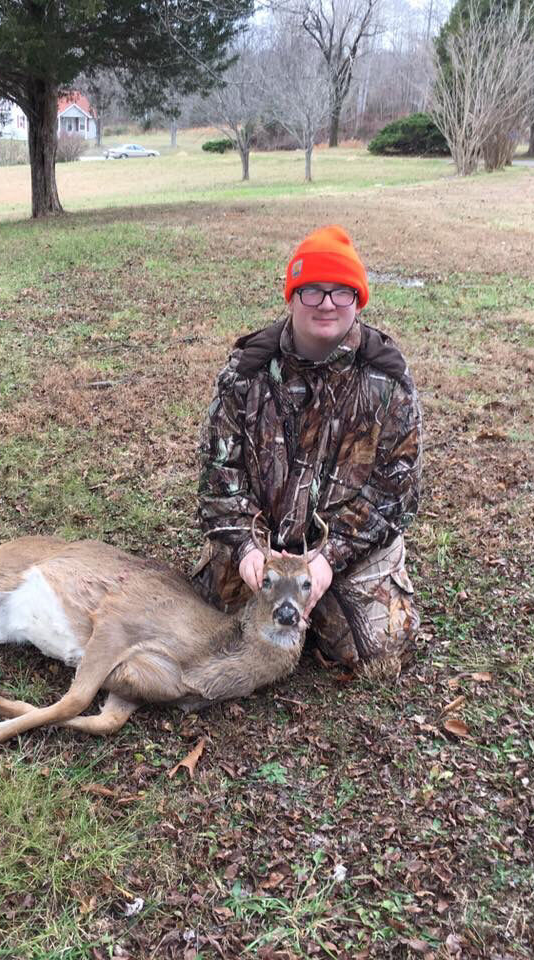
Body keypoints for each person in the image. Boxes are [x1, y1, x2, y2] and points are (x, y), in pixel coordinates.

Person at [191, 225, 422, 670]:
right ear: (292, 296)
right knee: (210, 620)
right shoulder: (246, 372)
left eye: (342, 291)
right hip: (263, 545)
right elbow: (219, 474)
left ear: (358, 300)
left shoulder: (388, 381)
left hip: (348, 549)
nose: (327, 303)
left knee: (377, 651)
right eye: (312, 290)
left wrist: (329, 559)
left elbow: (394, 491)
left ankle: (346, 592)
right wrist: (246, 547)